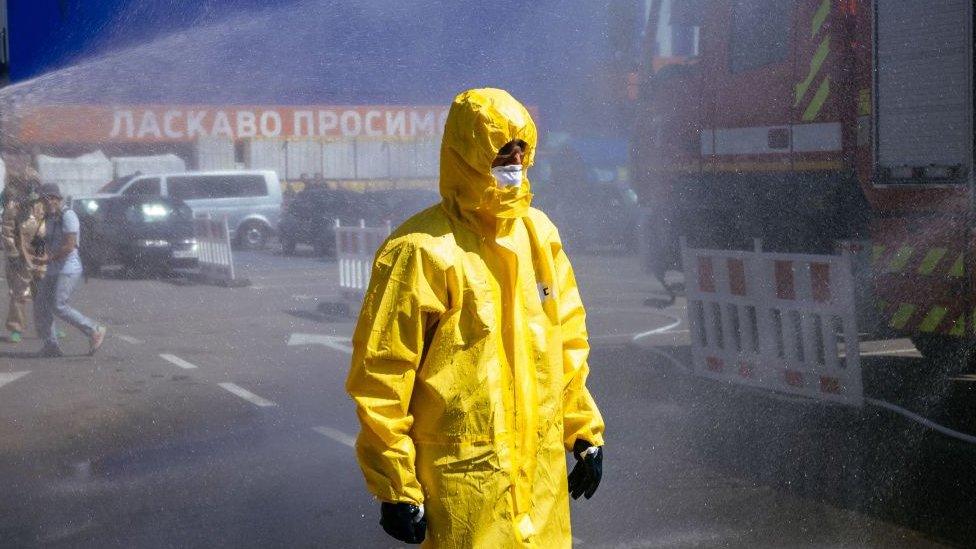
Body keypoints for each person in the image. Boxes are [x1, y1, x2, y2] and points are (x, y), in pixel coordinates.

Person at [346, 89, 605, 547]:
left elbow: (566, 341)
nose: (515, 158)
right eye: (501, 150)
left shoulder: (538, 235)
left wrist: (582, 432)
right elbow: (383, 376)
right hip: (465, 488)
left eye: (521, 147)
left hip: (538, 483)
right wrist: (395, 487)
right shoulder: (421, 249)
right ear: (465, 154)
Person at [33, 183, 106, 357]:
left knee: (59, 305)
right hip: (50, 268)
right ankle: (51, 345)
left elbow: (69, 246)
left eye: (49, 198)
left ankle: (94, 330)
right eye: (43, 199)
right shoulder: (46, 218)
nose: (46, 202)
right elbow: (42, 241)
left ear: (56, 199)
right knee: (42, 305)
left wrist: (47, 258)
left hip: (68, 268)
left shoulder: (68, 215)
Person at [1, 169, 46, 343]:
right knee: (19, 293)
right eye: (30, 184)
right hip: (20, 256)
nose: (33, 188)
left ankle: (47, 328)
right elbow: (7, 232)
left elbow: (43, 230)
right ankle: (16, 329)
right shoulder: (14, 206)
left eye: (35, 184)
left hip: (38, 254)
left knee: (42, 294)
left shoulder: (39, 205)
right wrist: (12, 253)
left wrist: (42, 256)